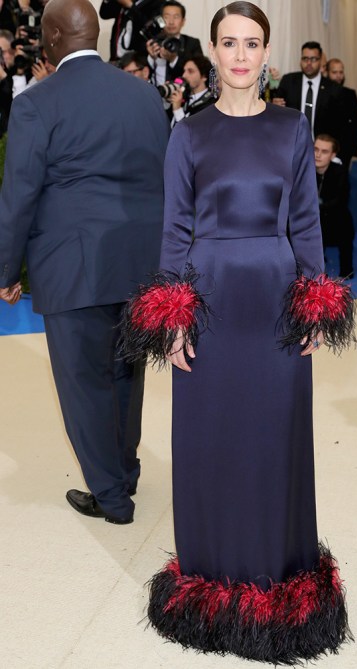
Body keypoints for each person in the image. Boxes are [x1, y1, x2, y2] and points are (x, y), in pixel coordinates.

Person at [121, 1, 354, 663]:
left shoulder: (291, 128)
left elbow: (305, 222)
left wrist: (315, 301)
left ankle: (278, 581)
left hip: (277, 302)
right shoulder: (188, 134)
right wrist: (172, 319)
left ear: (267, 52)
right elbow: (174, 229)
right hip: (210, 298)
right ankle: (212, 581)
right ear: (214, 52)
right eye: (229, 43)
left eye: (252, 43)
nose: (241, 55)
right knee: (211, 437)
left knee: (275, 436)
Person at [0, 0, 169, 522]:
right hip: (140, 262)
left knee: (84, 384)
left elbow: (19, 196)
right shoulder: (144, 94)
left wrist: (6, 270)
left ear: (52, 37)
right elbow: (165, 177)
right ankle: (126, 472)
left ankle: (112, 498)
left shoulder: (36, 102)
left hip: (71, 264)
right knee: (126, 375)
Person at [272, 41, 345, 149]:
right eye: (305, 59)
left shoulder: (333, 89)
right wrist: (274, 106)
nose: (309, 63)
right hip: (291, 145)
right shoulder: (289, 81)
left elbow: (340, 125)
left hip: (320, 149)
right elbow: (276, 111)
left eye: (313, 59)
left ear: (320, 61)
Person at [314, 134, 354, 278]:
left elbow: (340, 201)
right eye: (315, 149)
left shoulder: (340, 172)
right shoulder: (304, 170)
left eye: (324, 151)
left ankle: (347, 270)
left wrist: (315, 209)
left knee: (343, 225)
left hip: (336, 219)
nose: (318, 155)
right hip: (314, 218)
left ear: (333, 155)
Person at [146, 0, 203, 87]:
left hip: (182, 92)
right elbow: (140, 72)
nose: (171, 22)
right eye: (167, 17)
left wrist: (173, 60)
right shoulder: (152, 42)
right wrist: (151, 58)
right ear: (161, 20)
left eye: (176, 17)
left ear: (183, 21)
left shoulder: (192, 43)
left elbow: (197, 73)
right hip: (153, 92)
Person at [99, 0, 164, 61]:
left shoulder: (157, 2)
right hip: (116, 57)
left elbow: (150, 26)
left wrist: (130, 6)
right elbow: (104, 14)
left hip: (138, 60)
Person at [325, 57, 357, 169]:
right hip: (325, 145)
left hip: (345, 148)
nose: (338, 76)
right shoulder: (322, 94)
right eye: (334, 72)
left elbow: (355, 124)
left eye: (341, 72)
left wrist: (353, 150)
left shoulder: (350, 94)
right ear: (327, 73)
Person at [169, 54, 214, 126]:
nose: (184, 75)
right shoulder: (183, 96)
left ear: (204, 76)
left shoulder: (211, 104)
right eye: (184, 71)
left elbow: (192, 131)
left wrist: (177, 109)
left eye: (190, 71)